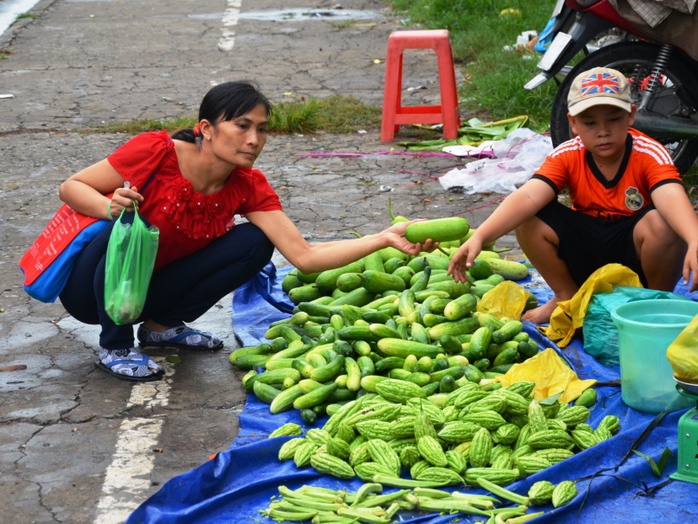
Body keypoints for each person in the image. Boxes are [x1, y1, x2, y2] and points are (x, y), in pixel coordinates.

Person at [56, 80, 433, 382]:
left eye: (262, 129)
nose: (254, 140)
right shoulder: (156, 151)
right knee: (125, 229)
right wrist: (109, 206)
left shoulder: (247, 186)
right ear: (206, 129)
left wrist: (382, 237)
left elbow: (304, 256)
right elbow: (72, 186)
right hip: (92, 290)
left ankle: (161, 326)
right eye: (242, 126)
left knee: (254, 242)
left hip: (149, 289)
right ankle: (116, 346)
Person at [448, 66, 698, 324]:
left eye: (613, 119)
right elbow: (528, 197)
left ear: (631, 116)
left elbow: (670, 194)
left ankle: (652, 303)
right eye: (590, 123)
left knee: (665, 222)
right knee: (526, 216)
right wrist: (480, 237)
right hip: (585, 252)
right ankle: (566, 297)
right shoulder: (567, 154)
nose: (603, 131)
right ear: (573, 124)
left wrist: (694, 239)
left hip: (636, 255)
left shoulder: (649, 152)